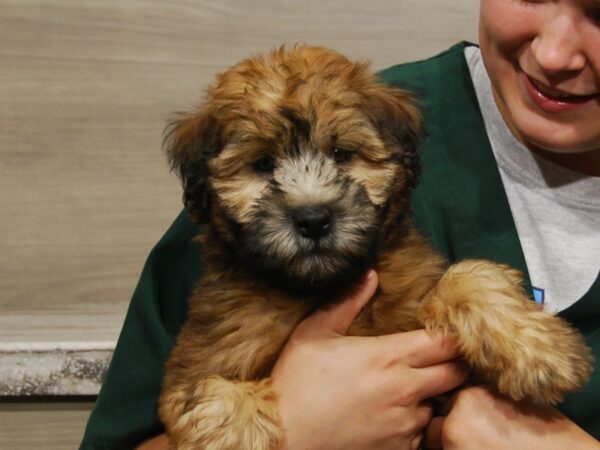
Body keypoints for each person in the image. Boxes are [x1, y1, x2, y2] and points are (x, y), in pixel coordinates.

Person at [80, 0, 600, 448]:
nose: (554, 55)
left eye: (343, 155)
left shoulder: (412, 243)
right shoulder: (220, 270)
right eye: (263, 167)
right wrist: (294, 430)